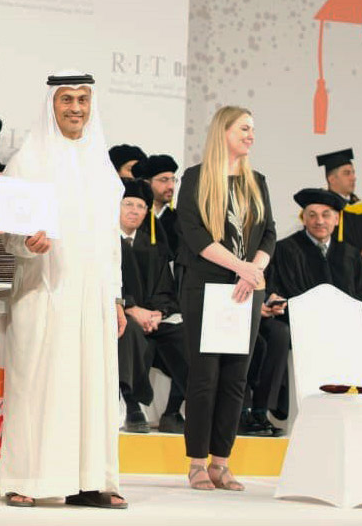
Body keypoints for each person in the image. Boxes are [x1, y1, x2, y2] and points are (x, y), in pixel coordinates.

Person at [0, 72, 127, 509]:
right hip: (44, 289)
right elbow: (9, 233)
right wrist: (27, 245)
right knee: (37, 383)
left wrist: (116, 297)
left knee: (92, 386)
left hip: (92, 297)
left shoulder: (102, 164)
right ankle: (25, 478)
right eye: (67, 100)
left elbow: (112, 240)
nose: (76, 108)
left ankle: (89, 481)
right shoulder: (28, 160)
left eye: (83, 100)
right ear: (51, 105)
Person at [176, 106, 276, 491]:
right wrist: (241, 266)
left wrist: (254, 271)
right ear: (224, 132)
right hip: (206, 286)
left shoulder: (258, 181)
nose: (251, 135)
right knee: (204, 377)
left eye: (253, 129)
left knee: (236, 377)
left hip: (246, 290)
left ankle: (222, 462)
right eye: (245, 128)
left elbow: (269, 233)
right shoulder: (197, 178)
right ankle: (197, 463)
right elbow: (193, 233)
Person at [241, 188, 362, 436]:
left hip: (342, 327)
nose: (319, 221)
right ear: (303, 218)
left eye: (326, 215)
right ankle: (260, 411)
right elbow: (271, 286)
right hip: (299, 323)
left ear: (337, 219)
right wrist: (272, 299)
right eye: (312, 214)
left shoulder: (350, 254)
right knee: (277, 334)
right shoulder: (285, 249)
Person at [117, 179, 188, 435]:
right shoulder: (105, 243)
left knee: (187, 339)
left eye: (140, 206)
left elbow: (165, 288)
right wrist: (131, 309)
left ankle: (172, 412)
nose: (134, 210)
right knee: (130, 332)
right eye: (128, 204)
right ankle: (133, 406)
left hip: (151, 317)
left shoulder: (153, 245)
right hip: (120, 315)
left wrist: (158, 313)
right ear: (117, 207)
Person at [133, 154, 180, 260]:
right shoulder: (133, 217)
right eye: (164, 180)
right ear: (146, 183)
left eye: (173, 180)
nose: (171, 186)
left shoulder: (180, 219)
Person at [316, 149, 362, 250]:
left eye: (353, 173)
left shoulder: (358, 207)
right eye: (347, 173)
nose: (353, 177)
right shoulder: (319, 208)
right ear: (332, 179)